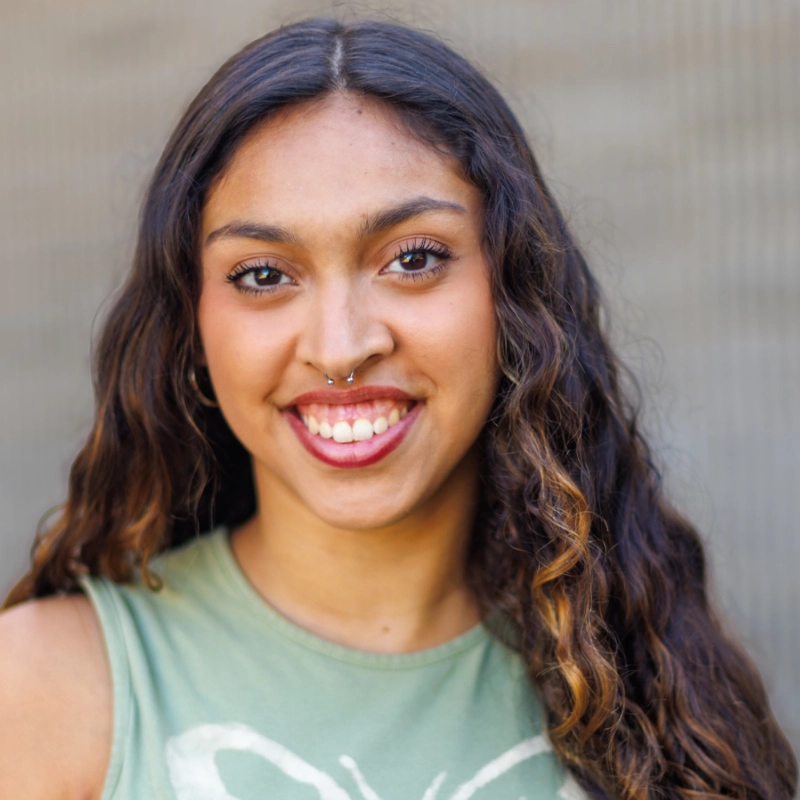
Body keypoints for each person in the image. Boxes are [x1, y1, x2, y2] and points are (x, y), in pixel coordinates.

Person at [0, 17, 795, 800]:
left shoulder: (657, 698)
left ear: (516, 299)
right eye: (263, 274)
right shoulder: (43, 691)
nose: (341, 347)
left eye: (413, 259)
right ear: (191, 324)